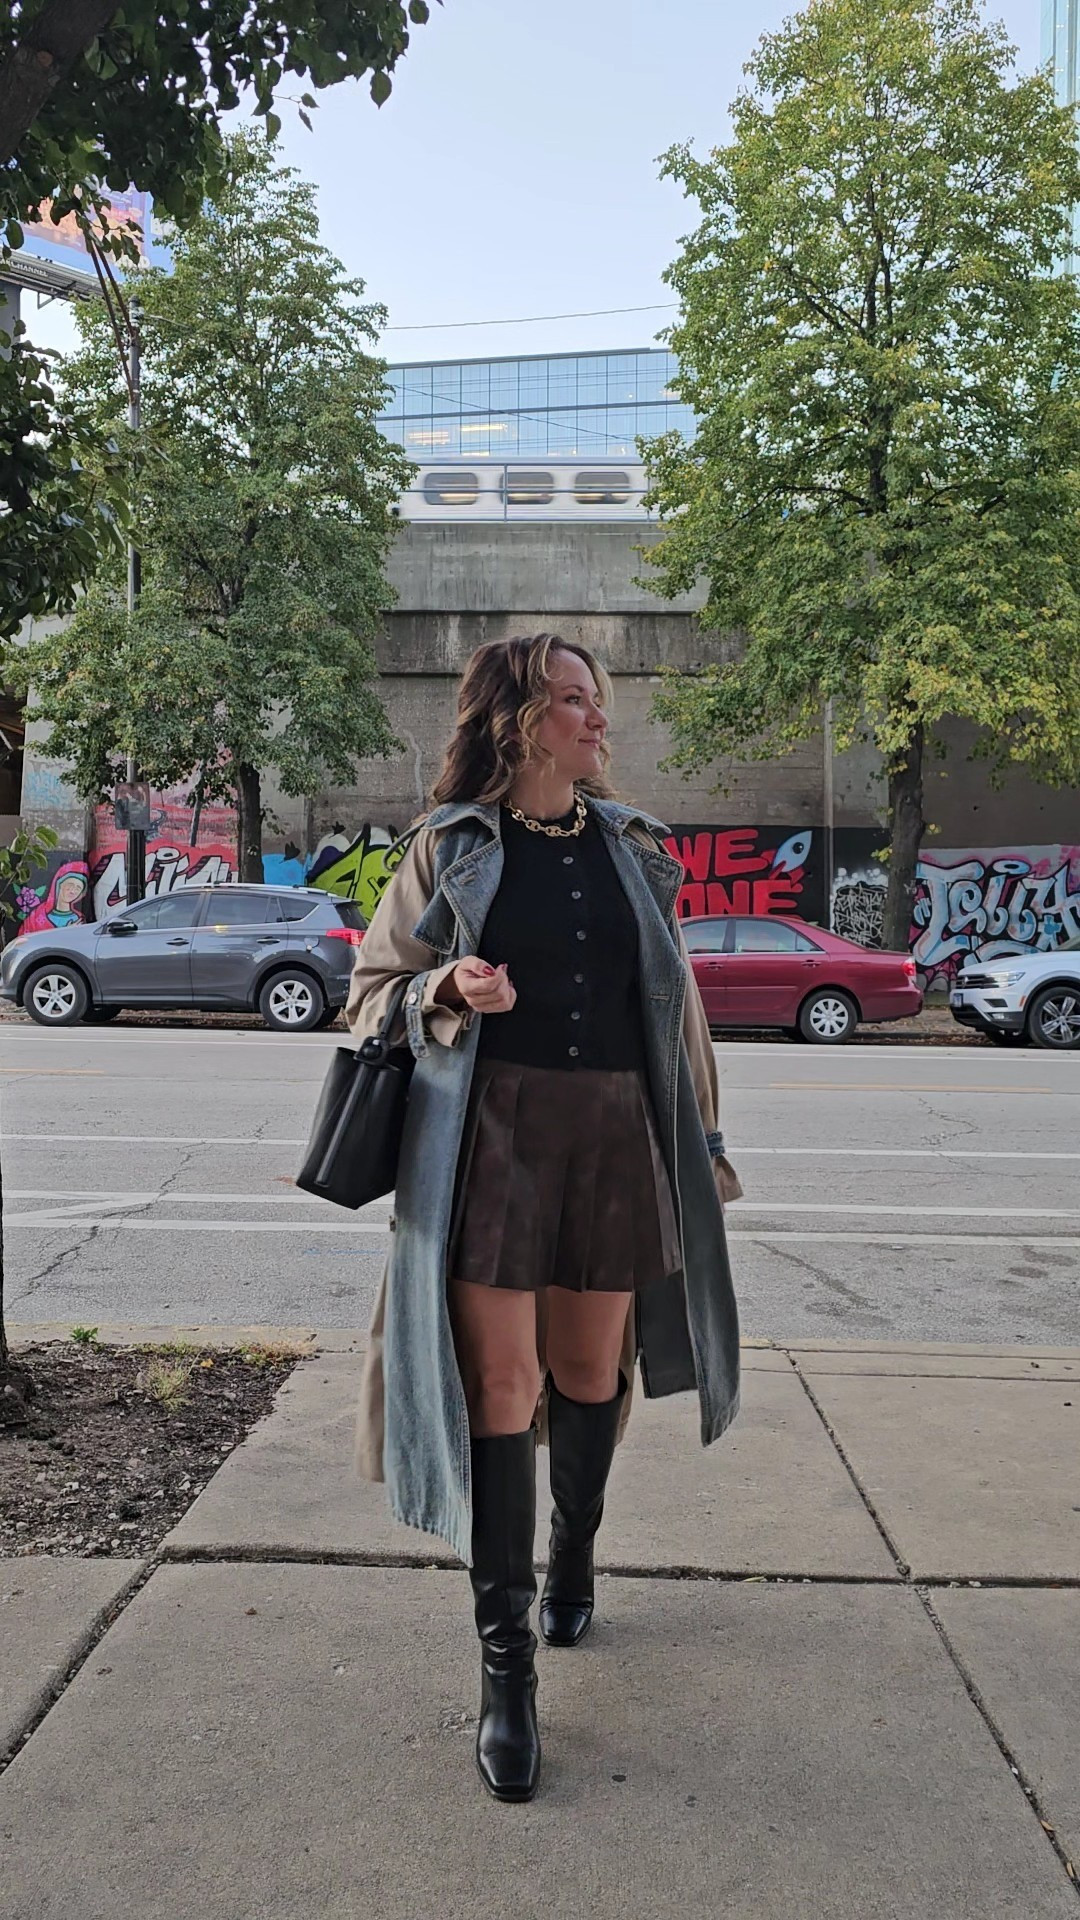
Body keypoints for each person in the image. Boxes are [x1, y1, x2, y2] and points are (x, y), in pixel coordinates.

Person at [345, 633, 741, 1804]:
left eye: (596, 700)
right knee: (503, 1389)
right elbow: (371, 991)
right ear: (519, 718)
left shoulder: (635, 850)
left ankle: (573, 1556)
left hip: (616, 1132)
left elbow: (675, 1009)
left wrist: (706, 1140)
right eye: (574, 700)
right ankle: (506, 1674)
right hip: (492, 1139)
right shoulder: (451, 846)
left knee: (586, 1374)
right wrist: (444, 986)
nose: (597, 719)